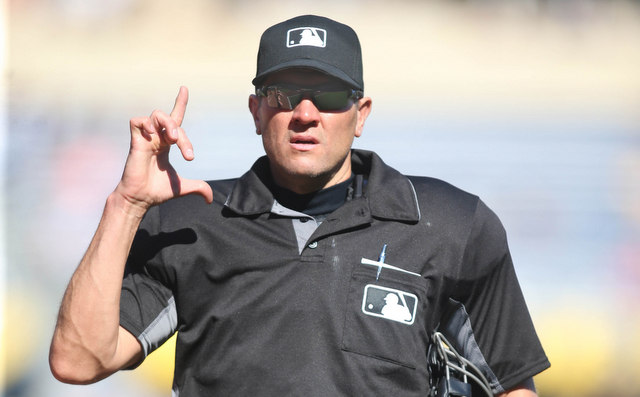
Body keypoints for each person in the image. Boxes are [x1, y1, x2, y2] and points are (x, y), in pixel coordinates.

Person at [49, 14, 550, 396]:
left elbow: (511, 382)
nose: (306, 114)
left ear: (361, 114)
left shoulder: (450, 224)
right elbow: (78, 362)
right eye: (284, 93)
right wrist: (127, 202)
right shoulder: (189, 222)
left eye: (330, 95)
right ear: (256, 110)